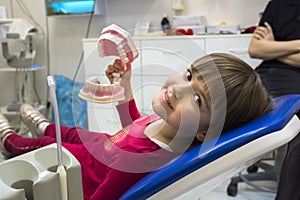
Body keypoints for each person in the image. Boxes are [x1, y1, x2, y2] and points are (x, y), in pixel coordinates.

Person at [0, 53, 273, 200]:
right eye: (189, 75)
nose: (179, 88)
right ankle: (44, 125)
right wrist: (126, 84)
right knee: (70, 132)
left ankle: (10, 140)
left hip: (86, 170)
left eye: (199, 99)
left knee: (47, 146)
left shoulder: (139, 162)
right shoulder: (166, 126)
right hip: (100, 145)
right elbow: (135, 124)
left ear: (204, 132)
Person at [248, 0, 300, 199]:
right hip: (265, 74)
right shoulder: (278, 4)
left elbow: (264, 49)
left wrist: (272, 47)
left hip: (296, 78)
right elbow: (255, 49)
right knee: (235, 95)